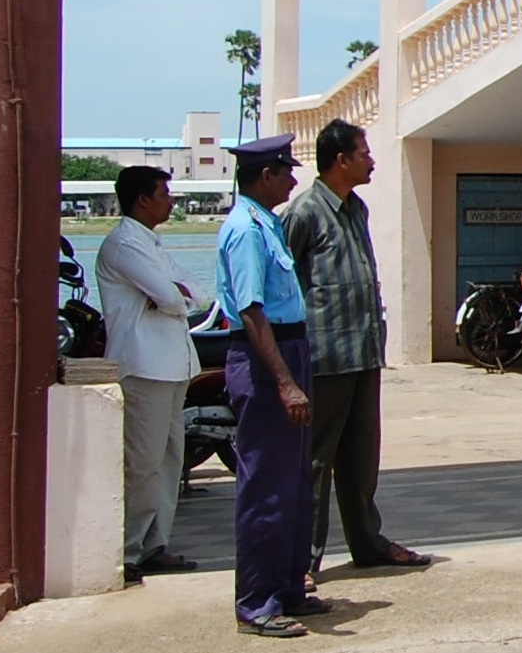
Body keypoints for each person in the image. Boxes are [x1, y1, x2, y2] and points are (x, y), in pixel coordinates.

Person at [283, 121, 429, 578]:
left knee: (361, 458)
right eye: (364, 154)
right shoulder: (304, 213)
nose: (372, 161)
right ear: (340, 160)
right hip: (324, 357)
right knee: (315, 460)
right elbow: (282, 284)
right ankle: (301, 560)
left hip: (363, 351)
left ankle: (367, 543)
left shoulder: (357, 209)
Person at [221, 148, 319, 637]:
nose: (291, 184)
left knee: (294, 482)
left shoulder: (268, 223)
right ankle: (257, 603)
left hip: (290, 348)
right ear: (265, 175)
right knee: (265, 486)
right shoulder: (245, 229)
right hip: (266, 358)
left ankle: (288, 587)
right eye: (285, 175)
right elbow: (251, 311)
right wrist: (284, 382)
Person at [97, 165, 200, 584]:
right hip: (144, 366)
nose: (170, 202)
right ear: (142, 200)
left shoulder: (151, 242)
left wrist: (176, 297)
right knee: (143, 462)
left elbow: (192, 292)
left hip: (173, 364)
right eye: (164, 194)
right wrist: (174, 298)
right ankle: (128, 549)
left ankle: (155, 543)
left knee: (169, 459)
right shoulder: (124, 244)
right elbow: (169, 295)